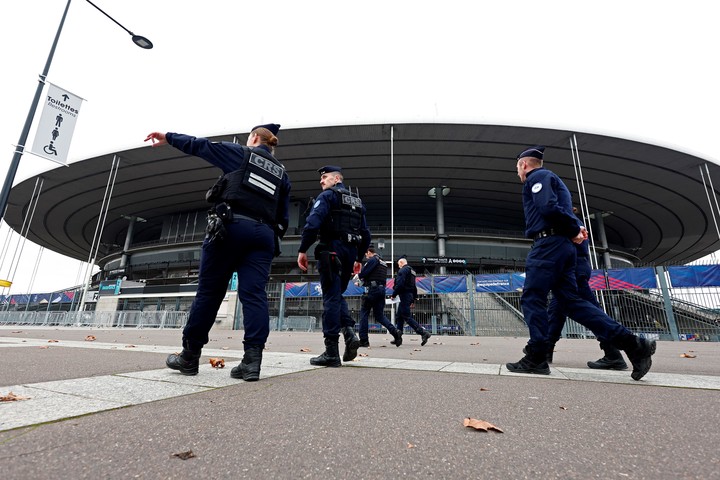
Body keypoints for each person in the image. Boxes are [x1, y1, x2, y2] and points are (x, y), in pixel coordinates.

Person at [144, 124, 290, 381]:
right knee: (254, 296)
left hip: (231, 228)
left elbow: (202, 146)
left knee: (210, 293)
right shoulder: (282, 174)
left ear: (255, 138)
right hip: (264, 236)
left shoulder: (242, 154)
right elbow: (283, 218)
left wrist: (168, 137)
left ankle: (189, 357)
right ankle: (251, 362)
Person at [509, 145, 655, 380]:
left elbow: (546, 206)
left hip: (548, 246)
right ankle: (633, 344)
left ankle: (537, 356)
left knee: (532, 296)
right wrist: (573, 227)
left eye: (517, 168)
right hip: (563, 248)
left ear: (524, 165)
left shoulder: (538, 177)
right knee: (571, 302)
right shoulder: (555, 181)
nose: (518, 173)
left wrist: (574, 227)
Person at [297, 165, 371, 366]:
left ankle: (331, 352)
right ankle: (349, 334)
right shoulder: (357, 201)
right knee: (337, 294)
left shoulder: (328, 196)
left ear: (337, 179)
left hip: (331, 250)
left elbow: (312, 223)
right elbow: (366, 234)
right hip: (349, 253)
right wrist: (358, 259)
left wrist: (303, 249)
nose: (321, 181)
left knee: (330, 297)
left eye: (325, 177)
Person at [546, 208, 628, 370]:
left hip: (573, 270)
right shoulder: (574, 222)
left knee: (590, 310)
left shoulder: (569, 223)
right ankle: (544, 349)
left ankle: (615, 351)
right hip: (575, 268)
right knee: (556, 311)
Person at [357, 246, 403, 347]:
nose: (366, 256)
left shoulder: (373, 260)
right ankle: (395, 332)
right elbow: (375, 275)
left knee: (364, 313)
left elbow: (363, 273)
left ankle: (364, 340)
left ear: (369, 252)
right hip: (381, 290)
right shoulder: (383, 262)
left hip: (372, 290)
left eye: (366, 254)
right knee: (379, 316)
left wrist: (358, 277)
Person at [390, 256, 431, 347]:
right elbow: (414, 286)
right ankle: (398, 337)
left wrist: (394, 294)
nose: (398, 266)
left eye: (398, 264)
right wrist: (413, 299)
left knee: (406, 317)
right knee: (399, 316)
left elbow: (400, 284)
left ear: (401, 263)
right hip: (409, 295)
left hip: (404, 295)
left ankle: (423, 333)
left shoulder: (402, 271)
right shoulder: (412, 271)